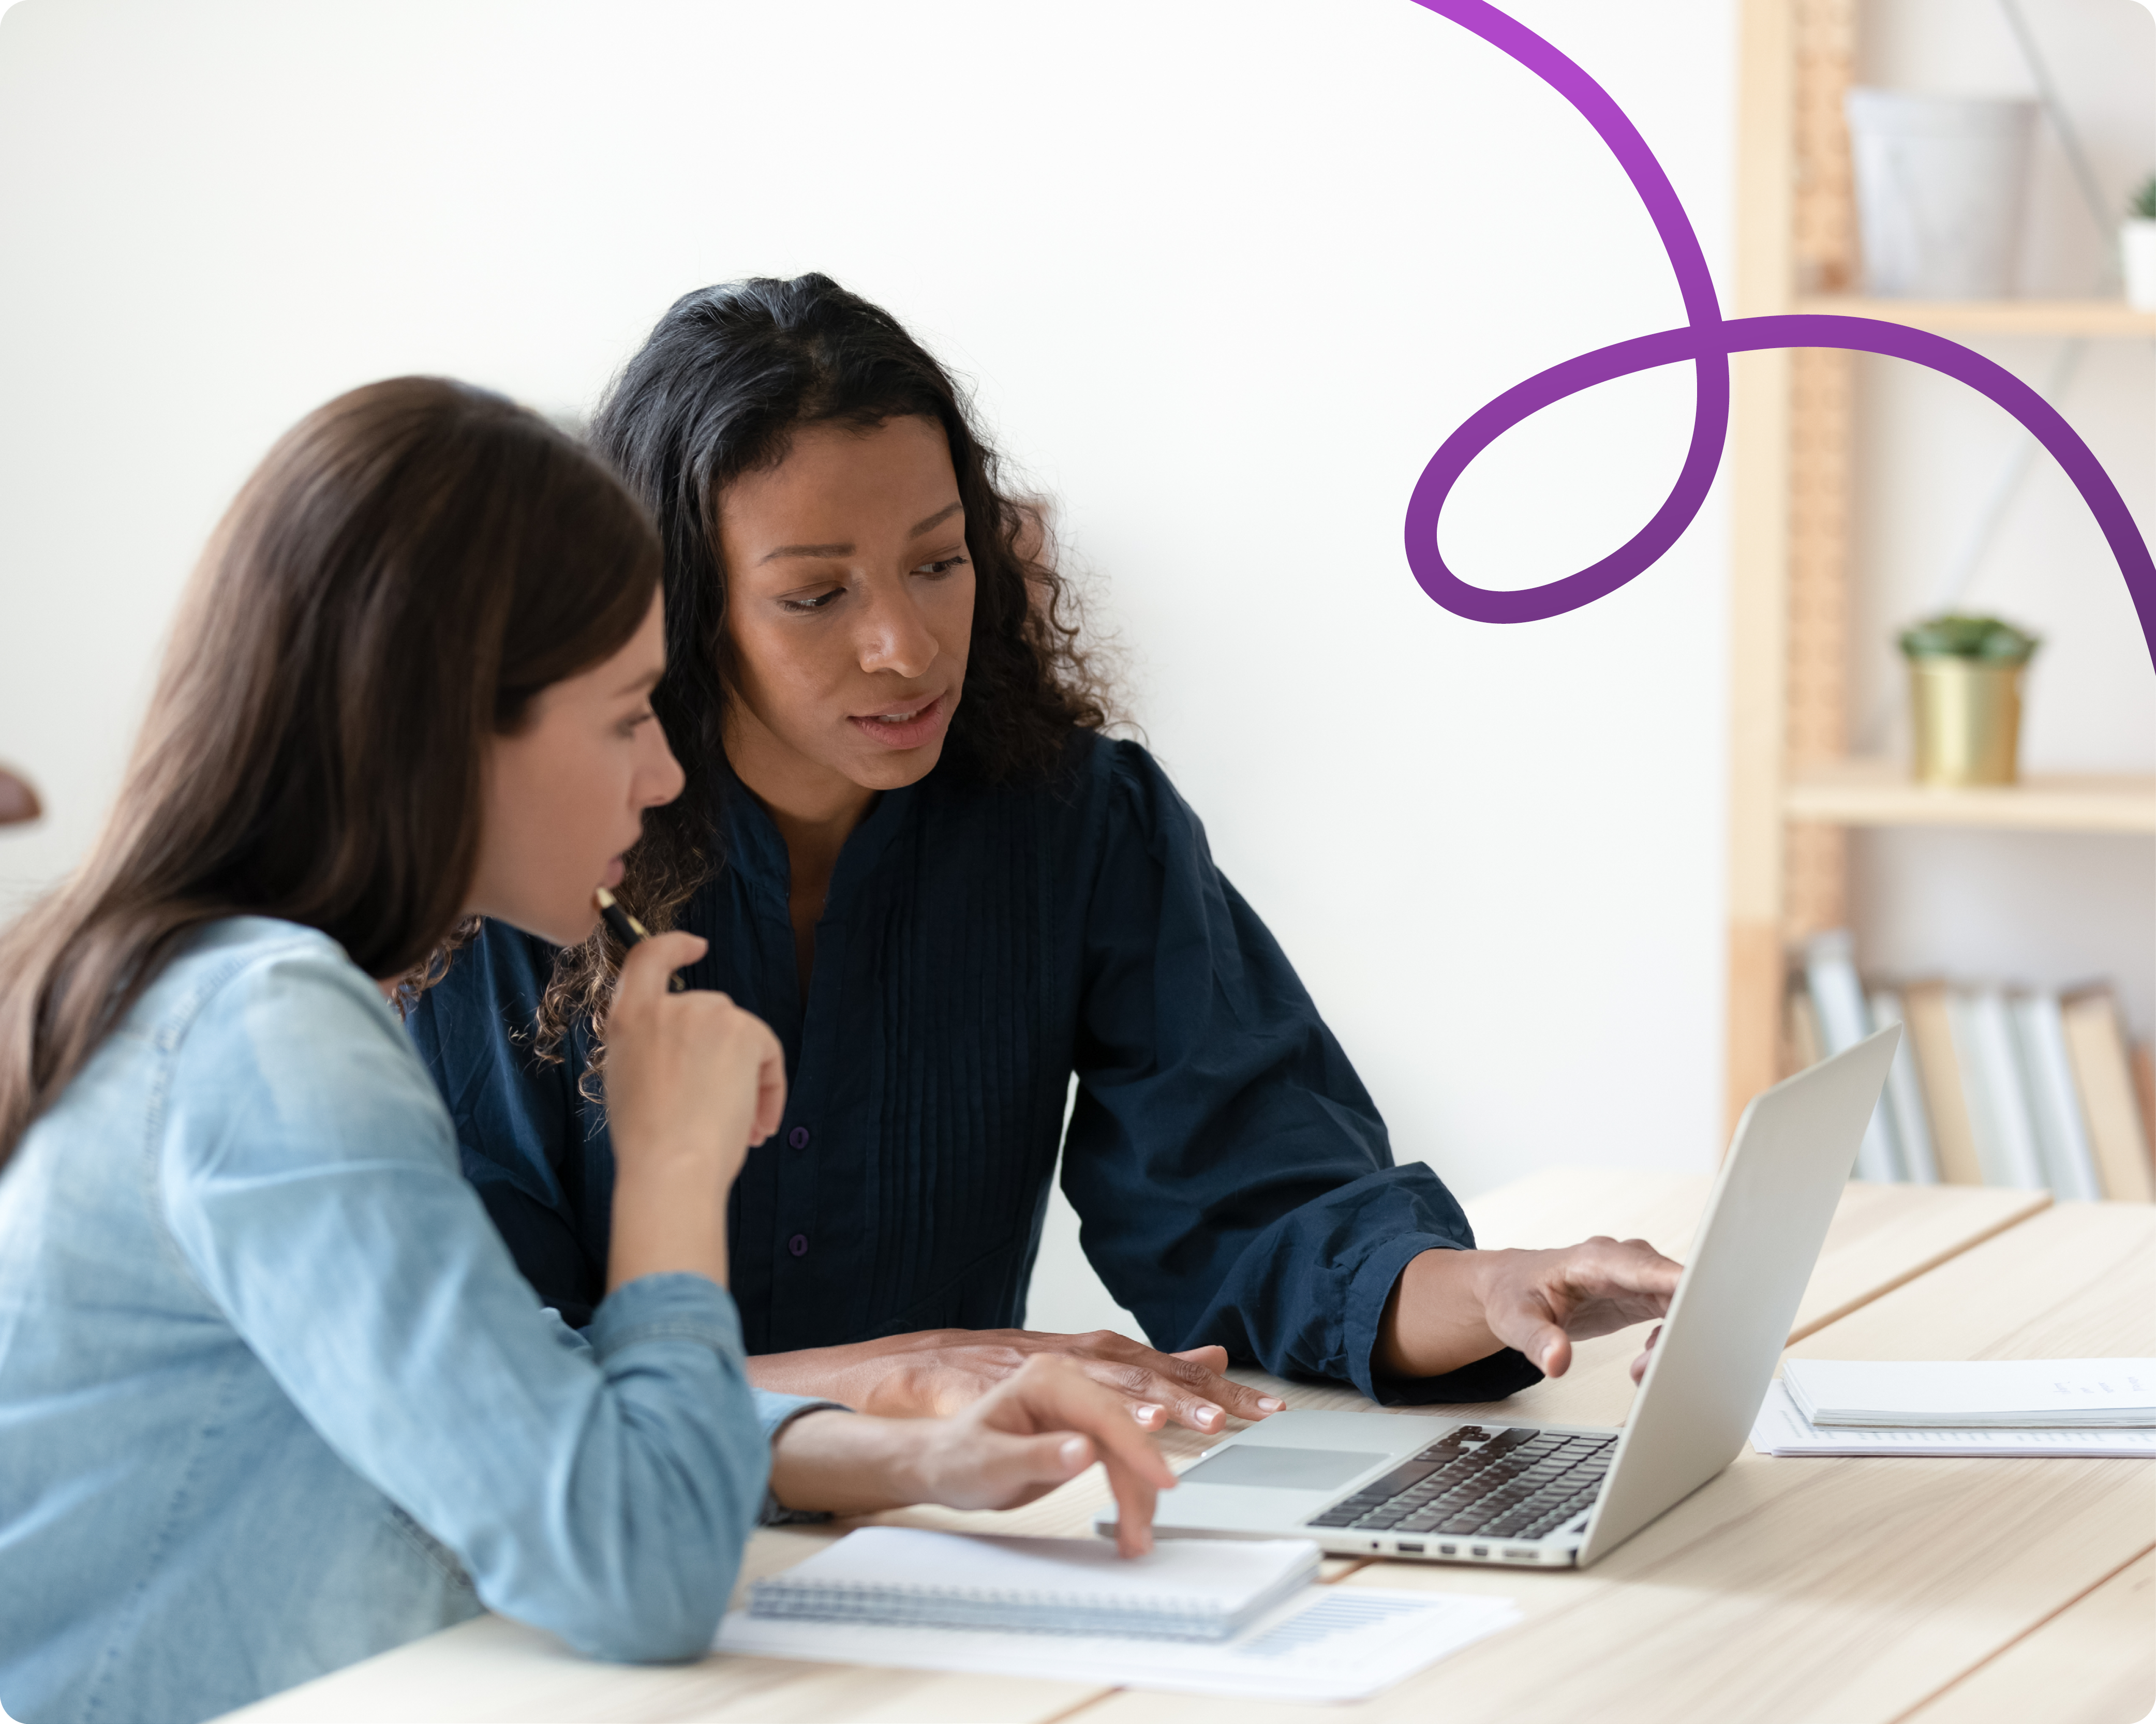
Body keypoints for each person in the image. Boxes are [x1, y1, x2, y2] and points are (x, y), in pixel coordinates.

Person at [0, 378, 1171, 1724]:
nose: (665, 775)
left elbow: (513, 1412)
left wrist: (913, 1458)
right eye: (624, 715)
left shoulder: (213, 993)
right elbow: (639, 1571)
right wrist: (670, 1169)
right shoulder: (267, 1034)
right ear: (447, 729)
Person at [408, 274, 1683, 1441]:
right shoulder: (525, 874)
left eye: (938, 562)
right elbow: (480, 1377)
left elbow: (1252, 1205)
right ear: (681, 609)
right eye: (816, 595)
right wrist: (891, 1374)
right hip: (598, 1567)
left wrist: (1491, 1287)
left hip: (955, 1534)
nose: (908, 646)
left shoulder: (1077, 822)